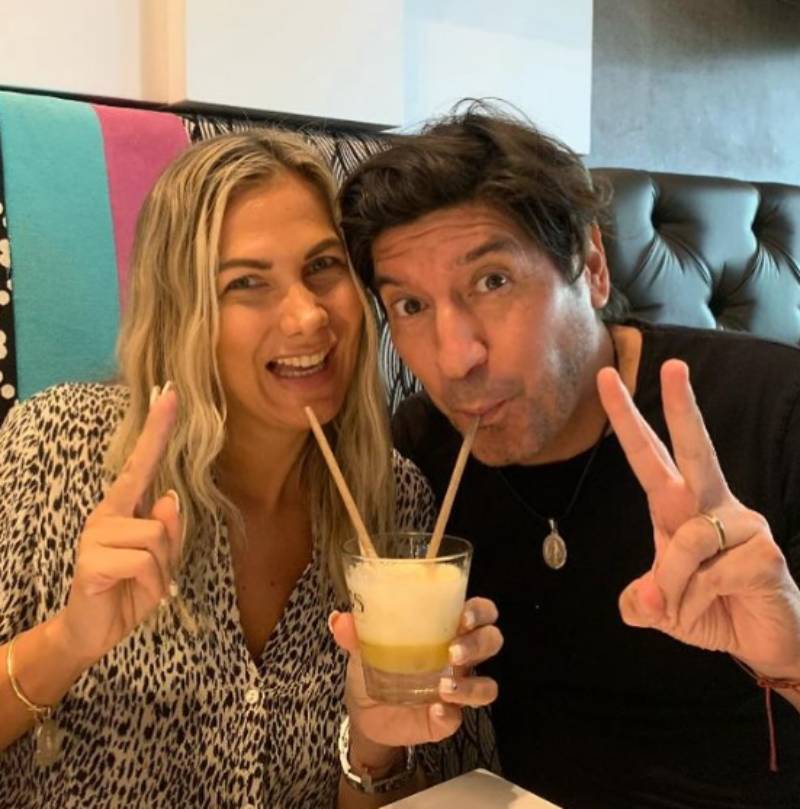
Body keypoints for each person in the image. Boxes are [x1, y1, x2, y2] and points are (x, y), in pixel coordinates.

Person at [0, 129, 501, 809]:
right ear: (184, 312)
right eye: (247, 283)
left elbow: (432, 793)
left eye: (323, 266)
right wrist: (66, 642)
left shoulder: (397, 505)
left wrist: (374, 750)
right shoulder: (55, 447)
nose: (307, 315)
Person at [338, 104, 800, 809]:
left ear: (592, 267)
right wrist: (377, 745)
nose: (456, 359)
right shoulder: (422, 456)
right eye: (410, 306)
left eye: (493, 281)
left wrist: (790, 656)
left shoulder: (775, 411)